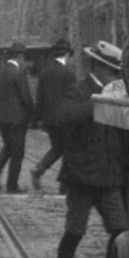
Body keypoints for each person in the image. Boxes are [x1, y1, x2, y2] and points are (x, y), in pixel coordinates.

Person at [49, 40, 129, 258]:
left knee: (120, 230)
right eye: (111, 72)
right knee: (74, 231)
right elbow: (62, 117)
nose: (115, 77)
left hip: (108, 176)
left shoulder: (117, 93)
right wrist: (97, 103)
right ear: (98, 67)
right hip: (81, 176)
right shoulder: (80, 89)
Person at [0, 41, 34, 193]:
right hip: (17, 119)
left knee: (8, 146)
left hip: (0, 119)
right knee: (17, 152)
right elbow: (25, 96)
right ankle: (12, 185)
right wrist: (33, 114)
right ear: (20, 56)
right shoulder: (19, 73)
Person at [31, 38, 78, 191]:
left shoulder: (45, 72)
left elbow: (40, 97)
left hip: (49, 119)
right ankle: (64, 184)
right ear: (66, 55)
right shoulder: (69, 73)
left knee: (58, 148)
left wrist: (37, 118)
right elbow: (73, 97)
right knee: (69, 149)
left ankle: (39, 170)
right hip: (65, 119)